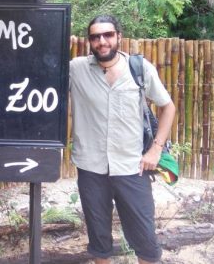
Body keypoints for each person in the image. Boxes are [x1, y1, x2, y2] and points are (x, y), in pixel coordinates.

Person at [69, 15, 176, 264]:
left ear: (119, 36)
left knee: (145, 239)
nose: (102, 41)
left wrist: (156, 150)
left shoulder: (140, 69)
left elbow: (167, 107)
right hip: (91, 167)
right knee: (98, 239)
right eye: (95, 37)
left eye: (107, 35)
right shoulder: (76, 69)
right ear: (89, 42)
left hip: (132, 166)